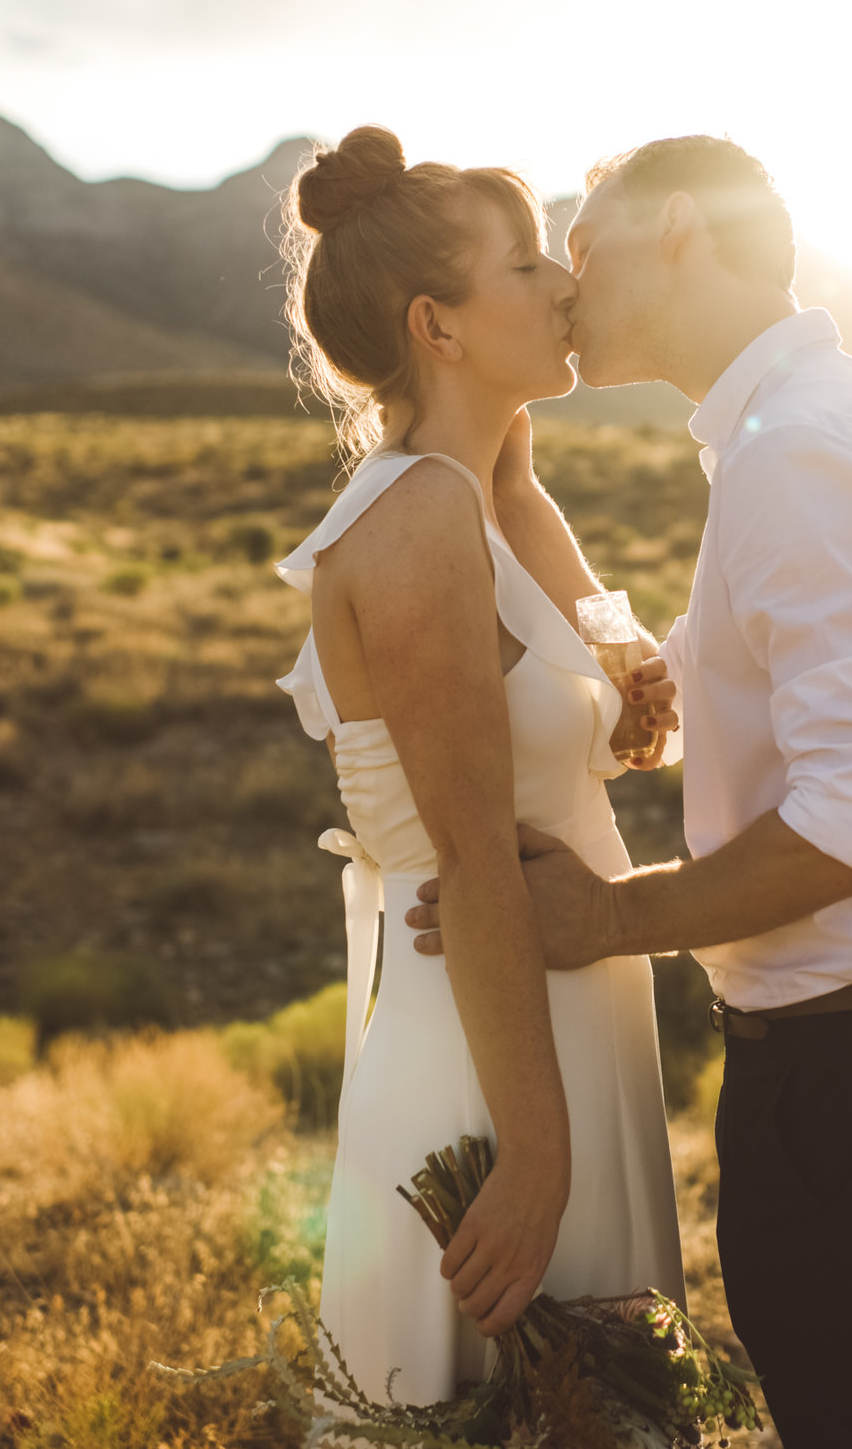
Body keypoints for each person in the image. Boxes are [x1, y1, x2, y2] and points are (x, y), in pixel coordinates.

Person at [407, 136, 852, 1446]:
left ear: (682, 227)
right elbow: (750, 687)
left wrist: (606, 917)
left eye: (585, 250)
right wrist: (636, 669)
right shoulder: (796, 429)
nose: (569, 291)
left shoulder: (797, 451)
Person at [270, 126, 685, 1409]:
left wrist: (625, 652)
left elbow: (524, 493)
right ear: (436, 327)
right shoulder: (413, 525)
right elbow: (471, 859)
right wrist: (541, 1161)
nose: (563, 283)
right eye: (522, 265)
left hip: (558, 1020)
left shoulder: (484, 490)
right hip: (491, 1058)